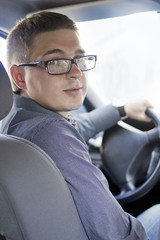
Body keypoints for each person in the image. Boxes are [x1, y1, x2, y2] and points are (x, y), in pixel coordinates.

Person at [1, 11, 160, 240]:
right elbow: (116, 233)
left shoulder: (18, 120)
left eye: (79, 59)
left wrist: (120, 109)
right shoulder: (54, 134)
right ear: (18, 77)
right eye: (55, 62)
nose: (76, 72)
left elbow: (77, 126)